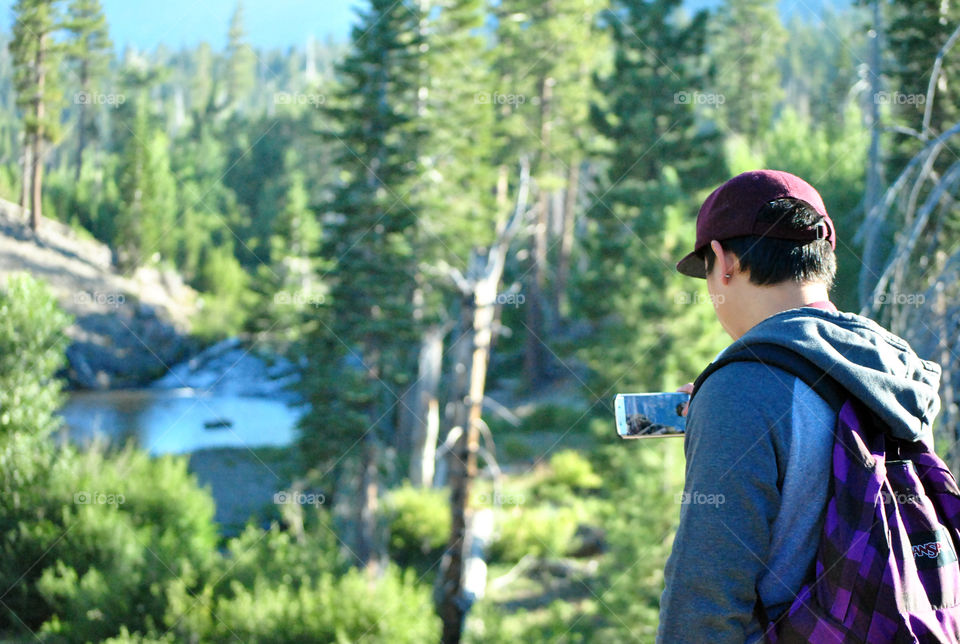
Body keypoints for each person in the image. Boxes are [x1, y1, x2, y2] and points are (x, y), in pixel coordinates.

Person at [656, 169, 942, 643]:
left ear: (724, 261)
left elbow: (705, 597)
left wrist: (730, 412)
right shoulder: (893, 368)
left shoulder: (742, 388)